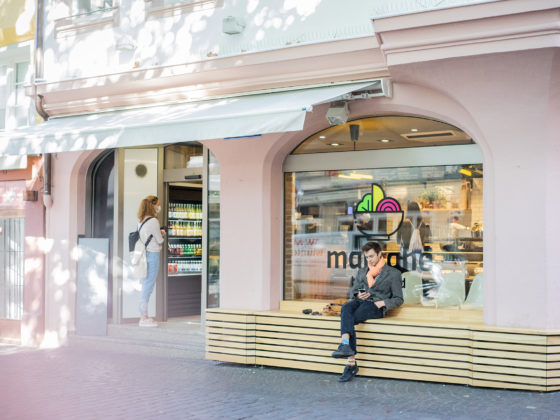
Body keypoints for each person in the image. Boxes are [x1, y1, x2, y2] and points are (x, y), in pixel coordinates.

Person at [331, 242, 403, 382]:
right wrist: (358, 295)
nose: (369, 260)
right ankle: (345, 344)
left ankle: (350, 362)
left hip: (375, 306)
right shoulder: (363, 271)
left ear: (380, 254)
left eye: (371, 256)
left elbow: (399, 299)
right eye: (367, 257)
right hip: (360, 302)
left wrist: (382, 303)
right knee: (346, 307)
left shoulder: (394, 273)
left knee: (349, 317)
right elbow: (353, 291)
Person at [137, 195, 166, 327]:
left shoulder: (141, 221)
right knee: (148, 285)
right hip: (153, 255)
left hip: (144, 254)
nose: (158, 207)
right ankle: (143, 317)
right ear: (152, 205)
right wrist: (162, 234)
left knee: (145, 283)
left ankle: (143, 315)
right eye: (157, 204)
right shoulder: (154, 221)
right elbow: (159, 240)